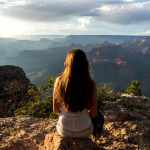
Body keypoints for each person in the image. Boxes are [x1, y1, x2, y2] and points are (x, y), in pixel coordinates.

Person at [53, 49, 97, 138]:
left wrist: (67, 114)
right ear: (85, 64)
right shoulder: (91, 84)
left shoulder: (59, 81)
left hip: (64, 130)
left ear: (67, 63)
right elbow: (93, 114)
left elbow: (56, 110)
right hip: (84, 131)